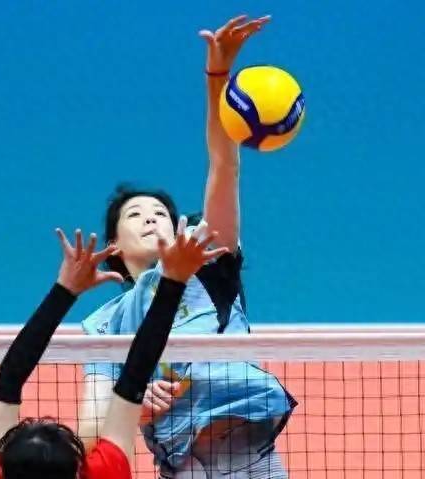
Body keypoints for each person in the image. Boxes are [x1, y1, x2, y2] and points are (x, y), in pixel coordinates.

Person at [77, 15, 297, 479]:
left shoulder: (208, 263)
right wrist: (134, 406)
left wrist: (218, 77)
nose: (150, 217)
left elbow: (223, 165)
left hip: (255, 460)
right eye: (135, 215)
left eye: (160, 212)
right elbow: (91, 432)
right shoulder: (104, 325)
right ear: (114, 246)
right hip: (184, 468)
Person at [0, 222, 228, 479]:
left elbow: (9, 380)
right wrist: (65, 290)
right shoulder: (105, 473)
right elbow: (135, 375)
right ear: (77, 471)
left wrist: (65, 289)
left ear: (1, 471)